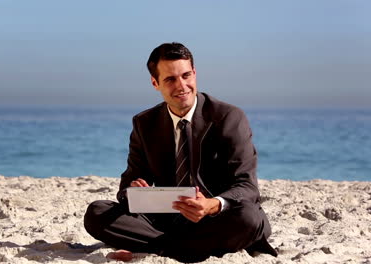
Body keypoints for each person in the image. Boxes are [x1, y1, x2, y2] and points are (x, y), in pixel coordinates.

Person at [84, 42, 277, 262]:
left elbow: (247, 186)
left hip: (218, 219)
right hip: (165, 221)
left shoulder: (229, 117)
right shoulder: (144, 123)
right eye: (170, 79)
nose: (182, 85)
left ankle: (159, 248)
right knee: (97, 212)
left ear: (195, 73)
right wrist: (134, 190)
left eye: (186, 75)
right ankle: (181, 249)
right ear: (155, 83)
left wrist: (211, 205)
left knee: (249, 219)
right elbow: (127, 185)